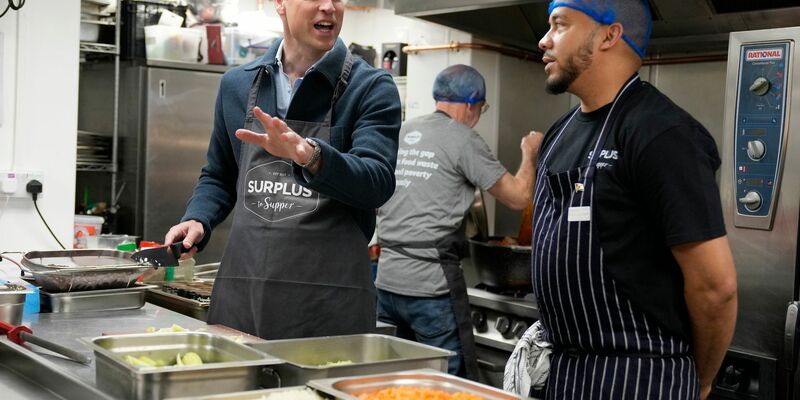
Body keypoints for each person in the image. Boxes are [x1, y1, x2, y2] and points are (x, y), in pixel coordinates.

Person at [530, 1, 737, 398]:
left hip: (640, 377)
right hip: (566, 374)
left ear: (610, 34)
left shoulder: (662, 134)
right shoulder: (560, 133)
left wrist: (703, 381)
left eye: (559, 25)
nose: (544, 40)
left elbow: (716, 286)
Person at [164, 0, 401, 340]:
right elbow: (220, 174)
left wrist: (310, 156)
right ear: (279, 3)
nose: (328, 7)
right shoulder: (237, 84)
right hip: (242, 299)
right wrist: (198, 217)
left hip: (328, 309)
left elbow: (376, 181)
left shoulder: (370, 87)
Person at [375, 64, 544, 379]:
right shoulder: (464, 139)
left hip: (386, 283)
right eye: (481, 108)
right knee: (445, 381)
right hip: (431, 288)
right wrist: (529, 153)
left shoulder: (402, 131)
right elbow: (519, 197)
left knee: (394, 379)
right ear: (471, 104)